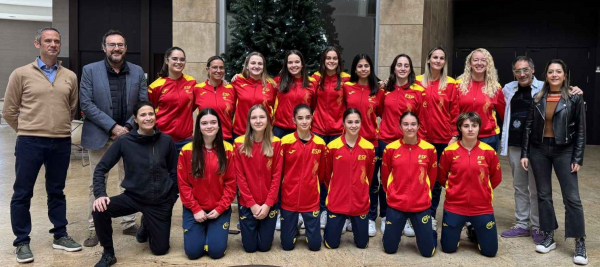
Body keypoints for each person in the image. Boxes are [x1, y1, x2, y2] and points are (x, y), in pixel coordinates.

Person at [3, 27, 81, 263]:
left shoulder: (69, 76)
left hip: (60, 142)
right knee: (22, 192)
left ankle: (60, 234)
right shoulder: (21, 73)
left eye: (56, 41)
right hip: (29, 142)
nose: (53, 44)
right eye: (48, 41)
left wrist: (57, 127)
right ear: (37, 44)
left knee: (56, 191)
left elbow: (71, 107)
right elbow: (8, 111)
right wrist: (28, 129)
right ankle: (22, 242)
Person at [80, 29, 148, 247]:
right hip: (100, 135)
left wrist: (128, 125)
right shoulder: (89, 71)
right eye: (112, 44)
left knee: (128, 180)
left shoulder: (137, 72)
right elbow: (86, 104)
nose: (116, 48)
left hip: (129, 135)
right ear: (104, 48)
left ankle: (128, 222)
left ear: (125, 48)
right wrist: (112, 127)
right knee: (97, 182)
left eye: (120, 44)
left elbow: (142, 103)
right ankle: (95, 227)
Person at [91, 101, 179, 267]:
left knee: (160, 249)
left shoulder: (166, 141)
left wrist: (171, 198)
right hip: (133, 197)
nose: (148, 118)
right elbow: (101, 169)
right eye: (143, 115)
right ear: (135, 119)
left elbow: (175, 172)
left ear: (155, 116)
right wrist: (100, 194)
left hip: (159, 202)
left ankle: (146, 224)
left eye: (151, 114)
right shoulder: (124, 141)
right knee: (99, 209)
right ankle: (108, 254)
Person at [521, 59, 588, 265]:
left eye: (558, 71)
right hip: (539, 150)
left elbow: (581, 131)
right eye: (551, 72)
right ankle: (548, 236)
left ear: (564, 75)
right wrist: (525, 153)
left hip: (565, 151)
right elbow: (528, 127)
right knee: (543, 195)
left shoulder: (574, 98)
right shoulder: (538, 97)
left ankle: (579, 242)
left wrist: (577, 157)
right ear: (546, 75)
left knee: (572, 198)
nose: (554, 75)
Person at [375, 54, 426, 237]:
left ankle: (408, 219)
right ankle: (387, 215)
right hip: (386, 142)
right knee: (385, 182)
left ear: (411, 69)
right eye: (399, 65)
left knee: (408, 179)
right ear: (394, 68)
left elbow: (421, 118)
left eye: (406, 65)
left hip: (408, 143)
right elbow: (379, 111)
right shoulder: (384, 90)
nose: (403, 68)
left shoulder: (418, 91)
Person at [438, 112, 502, 257]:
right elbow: (442, 178)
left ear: (479, 128)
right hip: (455, 206)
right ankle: (465, 228)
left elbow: (496, 178)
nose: (470, 129)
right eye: (466, 126)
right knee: (448, 248)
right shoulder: (449, 152)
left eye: (474, 126)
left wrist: (482, 191)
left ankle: (474, 230)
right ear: (460, 128)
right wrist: (454, 190)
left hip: (482, 207)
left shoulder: (489, 152)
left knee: (490, 252)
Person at [178, 108, 236, 259]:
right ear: (198, 127)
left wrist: (220, 208)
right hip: (195, 210)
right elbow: (183, 185)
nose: (209, 126)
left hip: (219, 210)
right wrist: (196, 209)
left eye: (213, 122)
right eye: (204, 123)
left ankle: (213, 234)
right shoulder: (186, 151)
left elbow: (231, 183)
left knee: (216, 253)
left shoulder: (228, 149)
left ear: (218, 126)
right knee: (193, 253)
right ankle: (202, 234)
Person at [380, 112, 437, 257]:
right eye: (406, 124)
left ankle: (431, 234)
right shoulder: (390, 149)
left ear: (418, 126)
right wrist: (393, 193)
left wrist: (422, 193)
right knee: (389, 249)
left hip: (421, 205)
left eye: (413, 124)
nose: (409, 128)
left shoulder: (430, 149)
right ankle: (394, 234)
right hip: (396, 204)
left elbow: (432, 177)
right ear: (400, 126)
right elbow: (385, 177)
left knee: (427, 252)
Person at [416, 47, 459, 234]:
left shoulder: (451, 84)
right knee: (418, 178)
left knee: (436, 181)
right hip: (421, 139)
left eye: (442, 58)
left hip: (443, 140)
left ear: (445, 62)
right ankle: (415, 213)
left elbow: (455, 112)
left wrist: (454, 136)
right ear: (428, 59)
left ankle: (431, 216)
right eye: (435, 57)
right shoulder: (417, 82)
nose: (438, 61)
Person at [323, 108, 375, 249]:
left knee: (362, 244)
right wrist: (336, 189)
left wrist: (361, 190)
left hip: (359, 202)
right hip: (337, 201)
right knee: (331, 244)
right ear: (343, 123)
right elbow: (327, 175)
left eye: (357, 122)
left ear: (361, 123)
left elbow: (369, 175)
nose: (353, 125)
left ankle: (354, 222)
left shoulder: (369, 147)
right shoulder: (332, 147)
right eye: (350, 122)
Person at [310, 46, 350, 229]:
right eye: (328, 58)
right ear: (323, 60)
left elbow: (368, 83)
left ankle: (336, 210)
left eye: (334, 58)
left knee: (336, 174)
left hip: (337, 132)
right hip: (318, 130)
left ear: (339, 61)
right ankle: (320, 209)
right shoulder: (315, 79)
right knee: (318, 172)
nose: (331, 61)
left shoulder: (346, 80)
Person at [234, 104, 283, 252]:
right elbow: (240, 177)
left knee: (264, 247)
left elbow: (277, 176)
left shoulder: (276, 143)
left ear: (268, 120)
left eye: (262, 117)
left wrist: (268, 204)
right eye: (254, 117)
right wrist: (252, 204)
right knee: (249, 248)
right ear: (249, 121)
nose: (258, 121)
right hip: (248, 203)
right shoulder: (239, 144)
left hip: (269, 204)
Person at [279, 104, 328, 251]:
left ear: (312, 119)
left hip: (311, 200)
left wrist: (312, 186)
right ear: (294, 120)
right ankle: (294, 224)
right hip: (289, 199)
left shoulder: (320, 143)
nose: (304, 121)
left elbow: (322, 173)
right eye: (300, 118)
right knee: (287, 246)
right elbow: (280, 171)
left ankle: (304, 223)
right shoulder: (285, 142)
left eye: (307, 118)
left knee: (315, 246)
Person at [455, 48, 505, 151]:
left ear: (488, 64)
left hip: (488, 137)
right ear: (470, 63)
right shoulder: (458, 85)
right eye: (476, 60)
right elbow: (453, 112)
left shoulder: (495, 87)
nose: (479, 63)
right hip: (463, 135)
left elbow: (504, 114)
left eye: (483, 60)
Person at [148, 47, 197, 150]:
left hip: (186, 140)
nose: (178, 62)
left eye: (182, 59)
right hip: (162, 139)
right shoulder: (155, 86)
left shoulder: (192, 82)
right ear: (167, 60)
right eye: (174, 59)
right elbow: (150, 111)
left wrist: (222, 83)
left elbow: (196, 104)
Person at [230, 52, 277, 140]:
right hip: (241, 132)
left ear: (263, 67)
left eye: (260, 64)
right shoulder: (237, 81)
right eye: (253, 63)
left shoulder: (272, 85)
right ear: (247, 65)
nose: (256, 66)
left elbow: (276, 108)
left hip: (263, 134)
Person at [272, 50, 317, 138]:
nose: (293, 65)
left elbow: (313, 106)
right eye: (290, 62)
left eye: (297, 62)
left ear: (302, 64)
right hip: (279, 130)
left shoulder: (312, 83)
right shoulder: (277, 81)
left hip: (302, 130)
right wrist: (241, 76)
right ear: (286, 65)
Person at [194, 56, 236, 143]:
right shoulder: (197, 89)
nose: (218, 70)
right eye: (214, 67)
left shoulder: (231, 89)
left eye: (221, 68)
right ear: (208, 69)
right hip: (204, 138)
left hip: (226, 138)